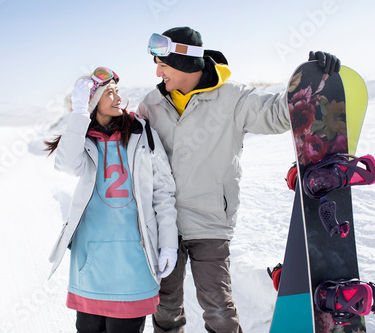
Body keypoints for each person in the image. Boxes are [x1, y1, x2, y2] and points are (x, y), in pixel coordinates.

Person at [137, 27, 341, 333]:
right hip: (162, 223)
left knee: (218, 308)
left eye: (163, 64)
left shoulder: (233, 98)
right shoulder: (151, 104)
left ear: (184, 63)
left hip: (209, 220)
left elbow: (278, 114)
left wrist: (312, 81)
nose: (157, 71)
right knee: (165, 308)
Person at [46, 67, 179, 333]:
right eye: (109, 93)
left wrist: (168, 244)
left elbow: (163, 193)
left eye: (117, 91)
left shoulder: (142, 134)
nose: (118, 98)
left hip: (134, 262)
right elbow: (66, 164)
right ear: (92, 104)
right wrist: (79, 115)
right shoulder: (81, 141)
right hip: (91, 264)